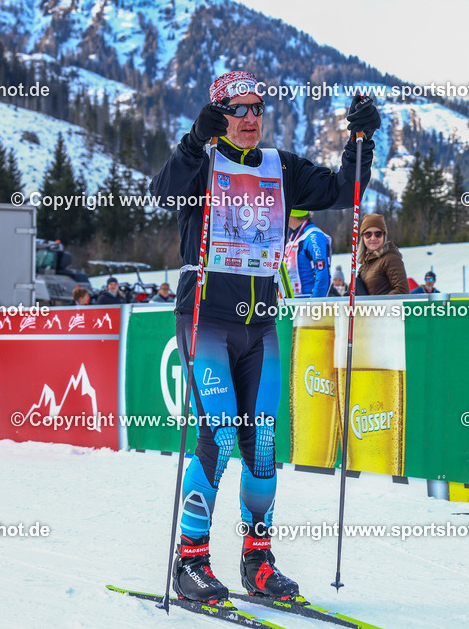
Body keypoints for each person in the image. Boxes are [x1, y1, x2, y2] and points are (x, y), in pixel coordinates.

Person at [150, 70, 378, 602]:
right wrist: (193, 139)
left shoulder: (282, 167)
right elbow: (161, 191)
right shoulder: (201, 164)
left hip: (260, 321)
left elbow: (345, 190)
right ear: (218, 115)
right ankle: (190, 562)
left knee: (263, 443)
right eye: (239, 109)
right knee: (220, 434)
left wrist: (361, 142)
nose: (250, 118)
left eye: (257, 108)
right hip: (206, 316)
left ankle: (257, 562)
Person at [283, 210, 332, 297]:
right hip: (292, 302)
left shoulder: (313, 236)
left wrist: (314, 305)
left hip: (307, 303)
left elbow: (322, 276)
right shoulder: (293, 236)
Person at [357, 213, 408, 296]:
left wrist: (377, 305)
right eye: (368, 234)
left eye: (378, 233)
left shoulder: (390, 259)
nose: (373, 238)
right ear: (363, 237)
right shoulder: (368, 261)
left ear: (384, 235)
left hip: (384, 308)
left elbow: (402, 291)